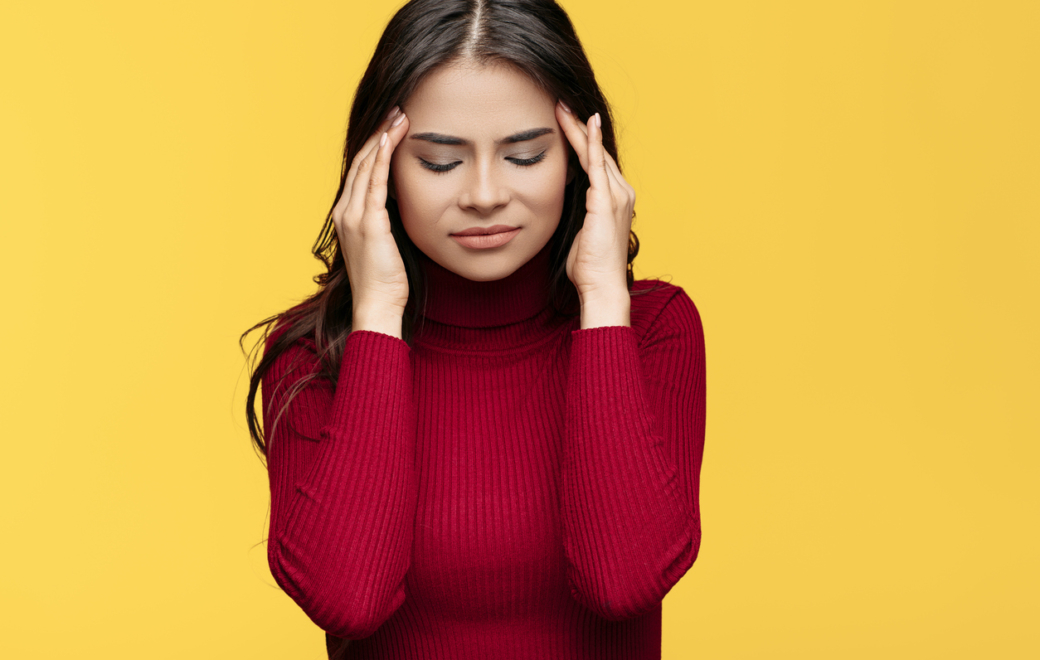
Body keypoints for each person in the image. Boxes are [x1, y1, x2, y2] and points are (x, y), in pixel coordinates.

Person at [240, 1, 706, 657]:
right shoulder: (314, 354)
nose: (484, 195)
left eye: (525, 156)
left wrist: (602, 296)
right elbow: (349, 599)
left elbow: (622, 582)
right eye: (439, 162)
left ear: (581, 160)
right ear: (379, 169)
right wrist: (379, 313)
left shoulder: (653, 328)